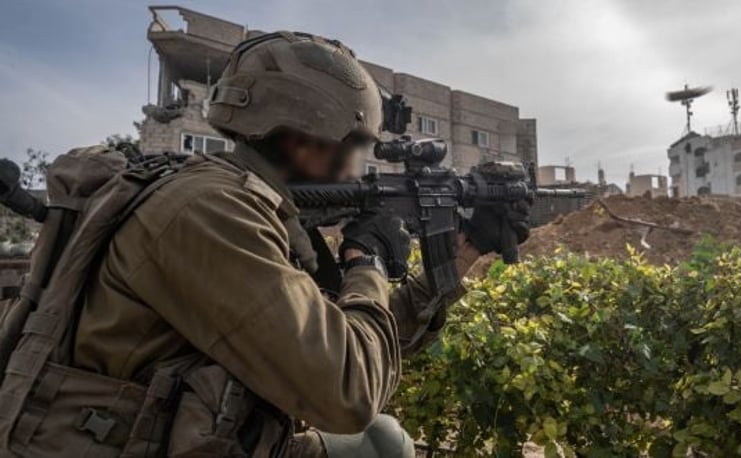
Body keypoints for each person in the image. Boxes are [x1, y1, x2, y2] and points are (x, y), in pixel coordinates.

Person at [57, 31, 529, 457]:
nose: (358, 159)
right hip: (123, 442)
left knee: (384, 441)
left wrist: (462, 256)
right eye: (355, 140)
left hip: (193, 431)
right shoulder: (209, 212)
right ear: (311, 133)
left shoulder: (244, 204)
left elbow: (343, 340)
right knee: (377, 440)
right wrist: (366, 262)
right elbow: (350, 392)